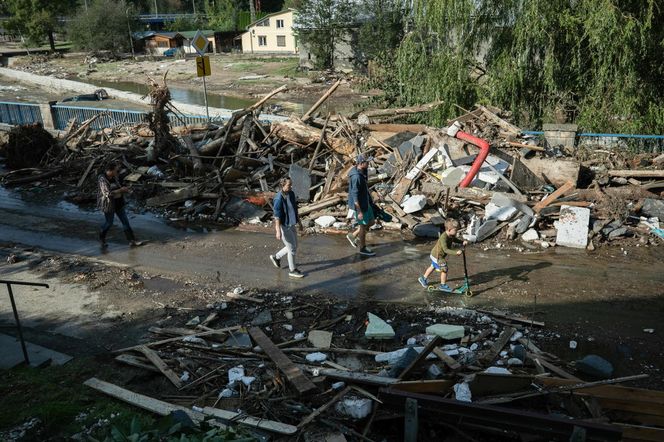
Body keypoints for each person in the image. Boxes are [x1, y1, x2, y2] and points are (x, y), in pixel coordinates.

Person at [97, 162, 141, 248]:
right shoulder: (102, 179)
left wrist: (127, 190)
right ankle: (102, 237)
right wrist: (121, 190)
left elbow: (120, 185)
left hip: (119, 202)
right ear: (111, 170)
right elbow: (107, 193)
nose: (117, 171)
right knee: (109, 223)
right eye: (116, 170)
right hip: (109, 204)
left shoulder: (115, 177)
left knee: (125, 221)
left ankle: (132, 241)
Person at [269, 177, 305, 278]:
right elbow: (277, 215)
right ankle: (292, 270)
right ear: (282, 186)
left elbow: (295, 209)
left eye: (291, 184)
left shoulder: (291, 194)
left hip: (291, 223)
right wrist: (278, 231)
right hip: (283, 226)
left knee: (294, 245)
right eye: (289, 185)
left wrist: (300, 223)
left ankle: (276, 257)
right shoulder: (278, 198)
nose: (291, 186)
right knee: (292, 249)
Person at [418, 219, 467, 291]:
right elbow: (445, 250)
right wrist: (455, 252)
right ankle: (442, 285)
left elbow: (454, 239)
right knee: (444, 269)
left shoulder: (451, 235)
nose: (456, 232)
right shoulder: (443, 237)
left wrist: (462, 242)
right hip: (437, 256)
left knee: (433, 266)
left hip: (436, 254)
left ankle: (423, 278)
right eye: (455, 230)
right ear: (449, 229)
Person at [346, 154, 376, 256]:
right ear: (361, 163)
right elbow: (354, 195)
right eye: (367, 162)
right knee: (363, 226)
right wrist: (358, 211)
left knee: (371, 222)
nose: (369, 163)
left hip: (365, 201)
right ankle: (362, 248)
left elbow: (364, 187)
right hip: (359, 205)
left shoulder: (363, 171)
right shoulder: (356, 177)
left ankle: (353, 235)